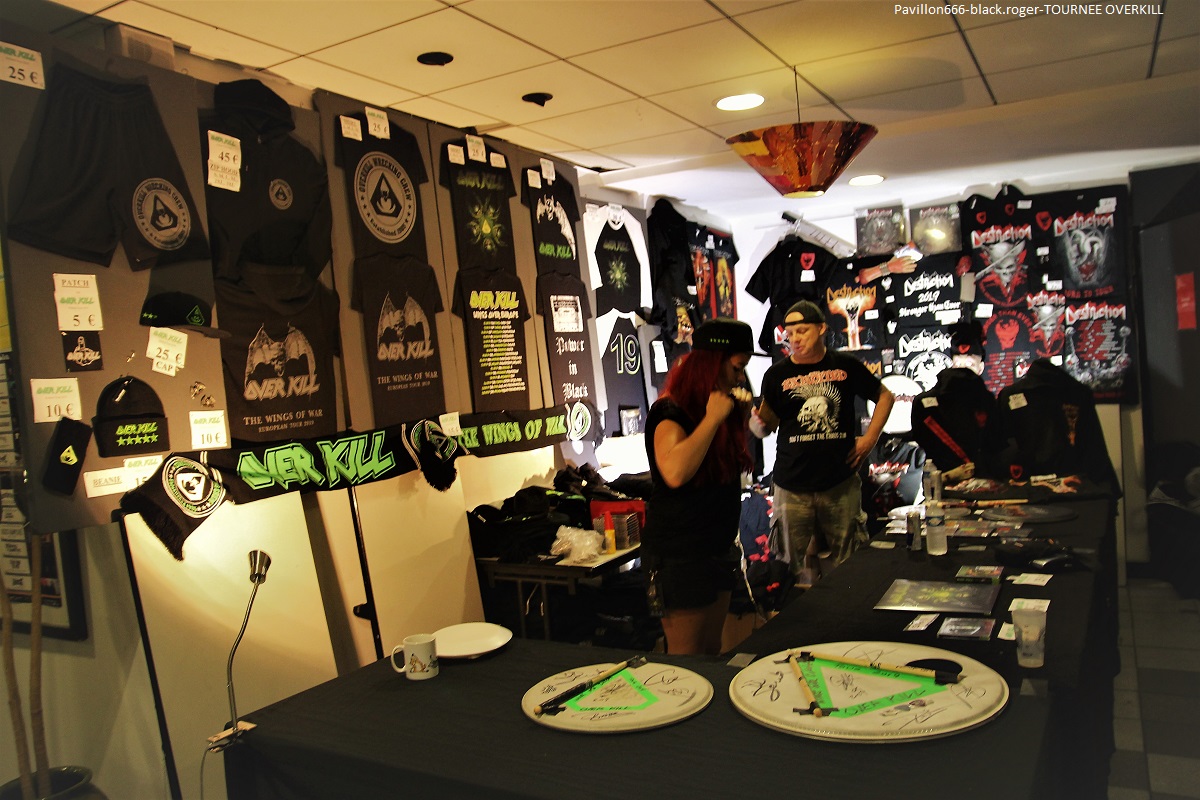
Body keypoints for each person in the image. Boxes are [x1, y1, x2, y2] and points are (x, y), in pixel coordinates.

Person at [751, 300, 894, 580]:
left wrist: (869, 440)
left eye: (802, 330)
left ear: (821, 329)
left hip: (839, 482)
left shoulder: (845, 365)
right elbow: (765, 426)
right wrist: (755, 424)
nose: (795, 339)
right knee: (786, 566)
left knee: (851, 566)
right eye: (790, 333)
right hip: (792, 484)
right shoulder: (777, 374)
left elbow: (885, 396)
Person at [642, 318, 754, 655]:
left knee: (711, 649)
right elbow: (675, 472)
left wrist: (734, 420)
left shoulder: (717, 406)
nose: (740, 378)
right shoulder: (670, 410)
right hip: (681, 556)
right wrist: (713, 418)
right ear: (712, 364)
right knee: (687, 659)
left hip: (716, 548)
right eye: (737, 368)